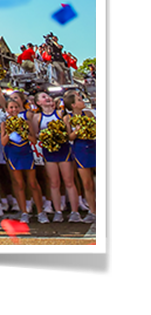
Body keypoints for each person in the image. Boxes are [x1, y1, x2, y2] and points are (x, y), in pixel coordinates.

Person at [0, 84, 45, 224]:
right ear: (7, 110)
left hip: (26, 153)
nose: (14, 110)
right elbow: (3, 142)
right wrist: (11, 131)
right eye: (11, 108)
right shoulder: (5, 123)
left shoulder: (26, 121)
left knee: (33, 183)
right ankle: (24, 212)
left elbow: (34, 140)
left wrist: (24, 132)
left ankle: (40, 212)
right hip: (12, 154)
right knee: (19, 183)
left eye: (16, 107)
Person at [32, 91, 81, 222]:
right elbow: (35, 135)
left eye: (47, 96)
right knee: (54, 183)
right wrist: (47, 137)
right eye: (43, 97)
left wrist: (58, 135)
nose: (47, 98)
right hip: (48, 151)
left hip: (63, 150)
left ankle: (75, 212)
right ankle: (58, 211)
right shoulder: (37, 117)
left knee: (69, 181)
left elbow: (67, 130)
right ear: (38, 103)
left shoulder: (60, 114)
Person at [65, 91, 96, 223]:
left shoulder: (88, 114)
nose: (82, 101)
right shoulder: (67, 118)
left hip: (93, 145)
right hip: (80, 149)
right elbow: (69, 137)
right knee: (87, 183)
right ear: (73, 105)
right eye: (79, 99)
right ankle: (93, 211)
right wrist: (77, 130)